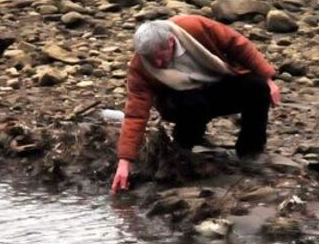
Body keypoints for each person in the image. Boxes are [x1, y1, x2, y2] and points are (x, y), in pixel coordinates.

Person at [110, 14, 280, 194]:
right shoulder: (140, 66)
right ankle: (183, 149)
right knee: (192, 103)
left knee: (257, 87)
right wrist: (124, 162)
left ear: (170, 42)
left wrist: (267, 78)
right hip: (178, 101)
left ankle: (250, 151)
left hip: (217, 84)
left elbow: (238, 44)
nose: (157, 64)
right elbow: (136, 114)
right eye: (152, 60)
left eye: (160, 57)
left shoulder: (194, 27)